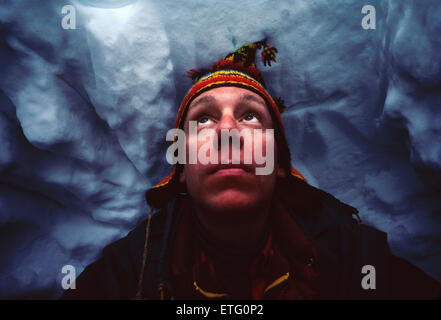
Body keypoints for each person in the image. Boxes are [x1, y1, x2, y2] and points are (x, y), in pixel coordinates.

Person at [61, 40, 440, 300]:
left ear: (278, 163)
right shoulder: (128, 271)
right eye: (204, 120)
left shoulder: (354, 258)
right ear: (179, 169)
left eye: (250, 117)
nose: (227, 132)